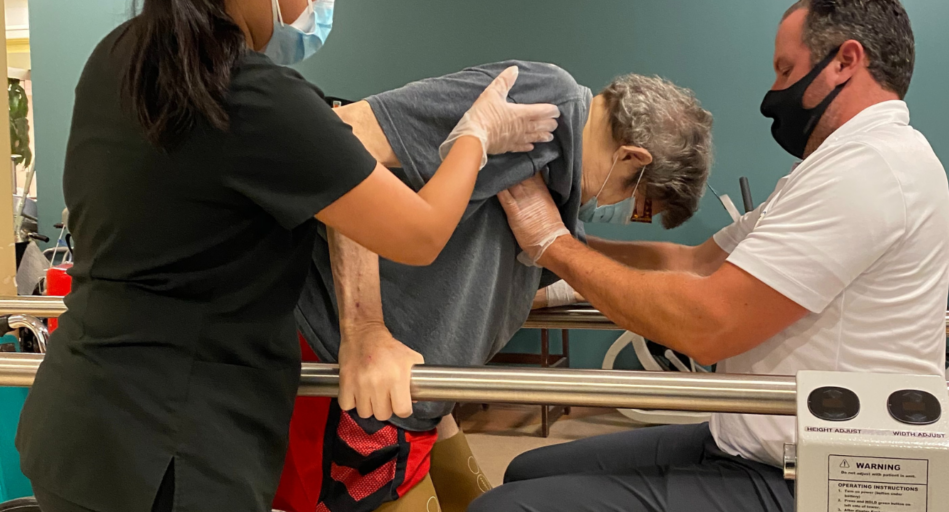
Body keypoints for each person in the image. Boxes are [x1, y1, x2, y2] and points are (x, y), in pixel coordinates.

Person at [13, 0, 559, 510]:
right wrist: (475, 136)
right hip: (170, 448)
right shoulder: (248, 93)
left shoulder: (120, 55)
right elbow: (420, 234)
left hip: (75, 419)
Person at [481, 1, 949, 511]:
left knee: (504, 508)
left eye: (786, 70)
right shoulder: (837, 166)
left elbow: (707, 327)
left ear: (845, 61)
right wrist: (563, 254)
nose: (775, 93)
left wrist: (554, 243)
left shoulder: (869, 169)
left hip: (812, 477)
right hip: (748, 440)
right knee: (526, 470)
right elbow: (693, 264)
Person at [276, 62, 713, 512]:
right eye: (637, 203)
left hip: (421, 399)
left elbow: (482, 273)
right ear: (632, 158)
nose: (618, 208)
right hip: (353, 372)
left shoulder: (561, 187)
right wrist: (364, 328)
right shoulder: (541, 103)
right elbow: (345, 137)